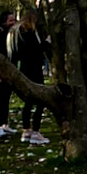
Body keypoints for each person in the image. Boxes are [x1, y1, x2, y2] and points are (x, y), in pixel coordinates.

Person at [11, 9, 51, 145]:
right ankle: (36, 131)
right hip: (33, 69)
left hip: (24, 69)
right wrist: (46, 43)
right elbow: (36, 50)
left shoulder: (16, 33)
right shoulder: (29, 33)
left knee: (28, 101)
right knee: (40, 99)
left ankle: (26, 129)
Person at [0, 12, 19, 139]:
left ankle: (5, 124)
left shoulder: (14, 35)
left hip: (12, 69)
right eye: (11, 20)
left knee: (7, 99)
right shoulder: (1, 36)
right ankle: (1, 126)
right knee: (3, 99)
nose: (13, 23)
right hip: (3, 71)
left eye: (14, 20)